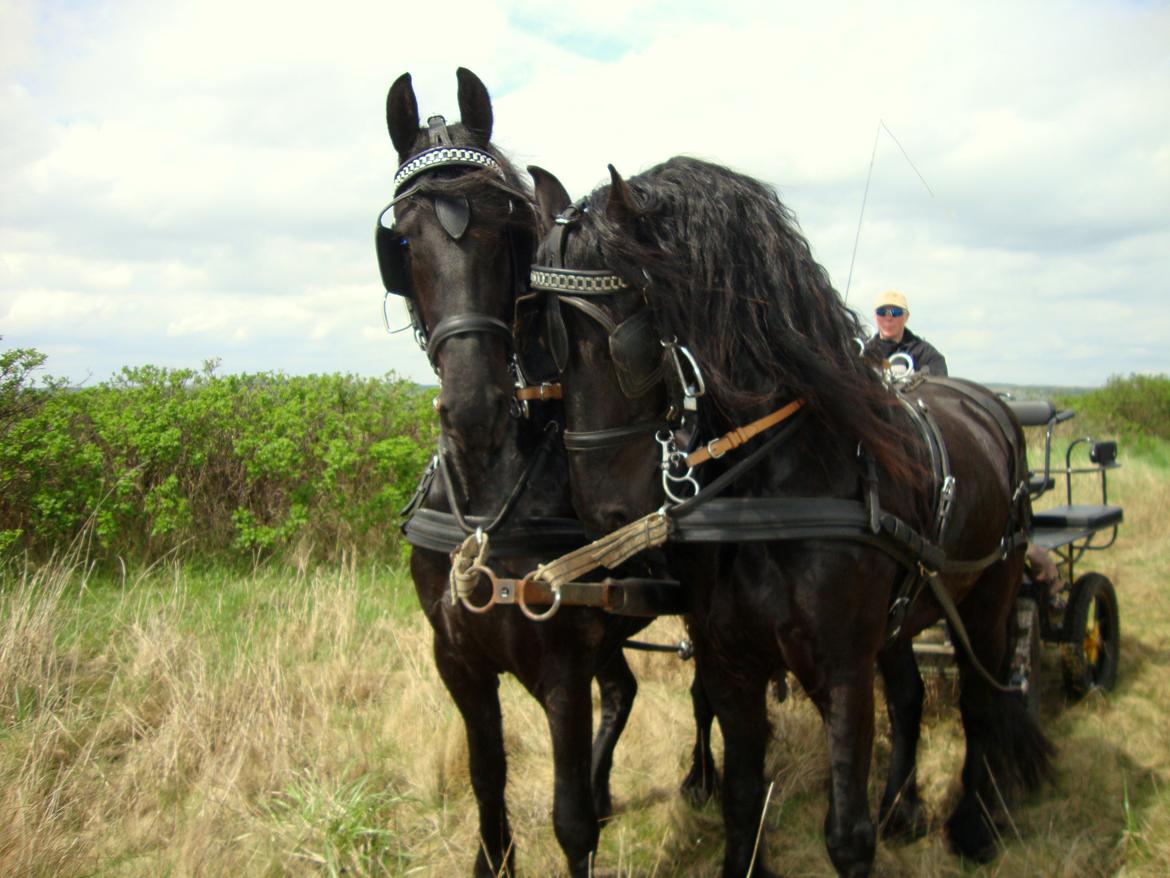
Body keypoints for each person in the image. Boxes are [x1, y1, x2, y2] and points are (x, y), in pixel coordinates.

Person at [863, 290, 948, 376]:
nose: (888, 318)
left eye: (896, 312)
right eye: (882, 312)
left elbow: (939, 377)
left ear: (906, 316)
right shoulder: (863, 353)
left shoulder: (926, 354)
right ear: (875, 316)